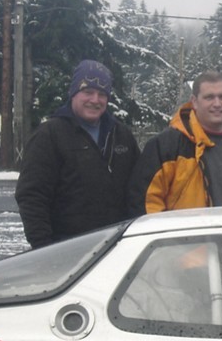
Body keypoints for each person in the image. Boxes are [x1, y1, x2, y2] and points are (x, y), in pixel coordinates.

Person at [15, 59, 141, 249]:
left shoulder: (121, 135)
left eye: (102, 94)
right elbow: (32, 196)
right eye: (88, 92)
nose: (95, 100)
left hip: (116, 247)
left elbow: (138, 190)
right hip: (66, 248)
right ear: (73, 93)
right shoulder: (50, 135)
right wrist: (43, 248)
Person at [129, 70, 222, 213]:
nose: (217, 103)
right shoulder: (166, 147)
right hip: (189, 231)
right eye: (209, 97)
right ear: (194, 101)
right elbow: (146, 203)